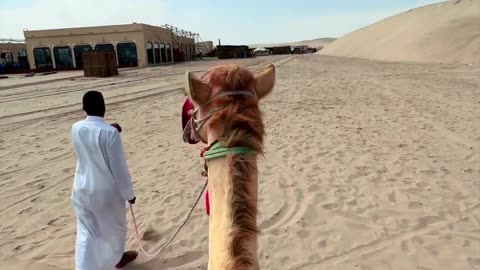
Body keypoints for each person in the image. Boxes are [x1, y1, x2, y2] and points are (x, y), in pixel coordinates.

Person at [71, 91, 138, 270]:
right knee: (115, 230)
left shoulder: (76, 128)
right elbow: (119, 169)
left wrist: (110, 129)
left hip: (81, 189)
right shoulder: (110, 134)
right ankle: (116, 259)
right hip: (106, 192)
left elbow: (92, 138)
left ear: (84, 108)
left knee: (86, 233)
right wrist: (129, 194)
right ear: (103, 107)